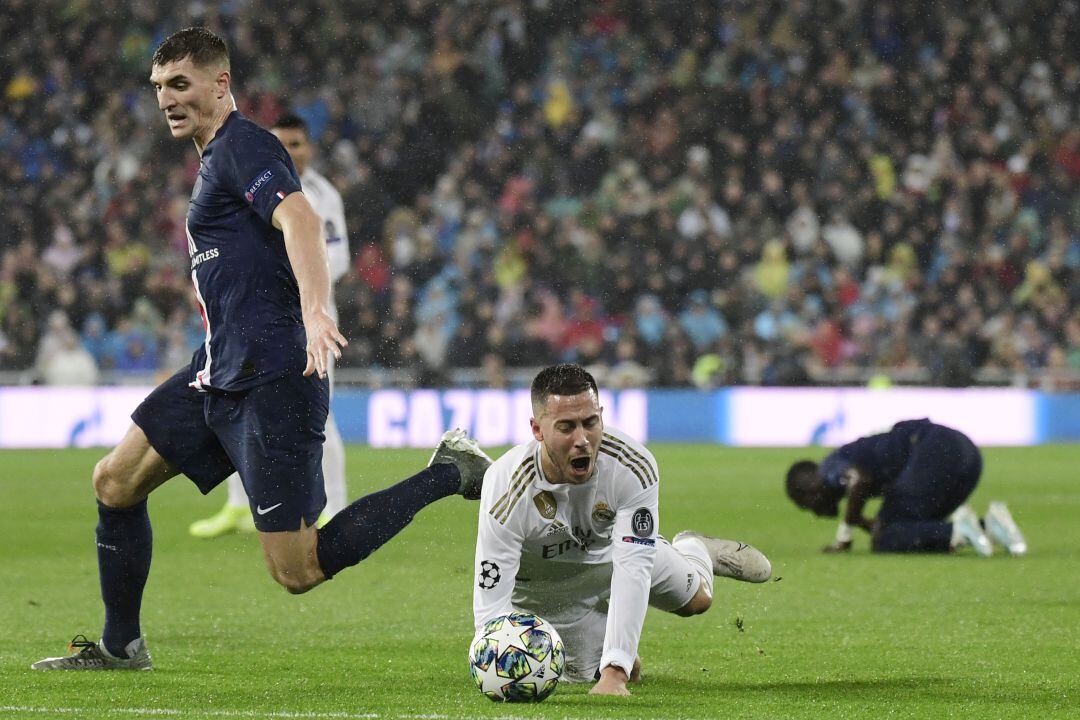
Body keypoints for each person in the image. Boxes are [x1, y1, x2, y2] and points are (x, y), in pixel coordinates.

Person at [32, 27, 492, 671]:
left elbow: (300, 219)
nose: (167, 98)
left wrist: (314, 312)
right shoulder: (214, 158)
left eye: (181, 84)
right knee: (114, 480)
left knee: (297, 570)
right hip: (219, 368)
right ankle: (120, 645)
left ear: (221, 84)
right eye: (159, 87)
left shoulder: (243, 147)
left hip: (275, 376)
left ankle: (449, 472)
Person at [472, 363, 772, 696]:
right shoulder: (505, 487)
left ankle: (694, 548)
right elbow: (491, 605)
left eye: (590, 422)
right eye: (566, 427)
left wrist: (615, 673)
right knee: (582, 672)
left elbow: (633, 567)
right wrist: (494, 663)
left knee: (698, 601)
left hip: (617, 554)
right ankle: (603, 644)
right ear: (537, 430)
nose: (582, 440)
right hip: (552, 590)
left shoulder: (631, 465)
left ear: (601, 414)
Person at [188, 112, 351, 538]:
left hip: (306, 320)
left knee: (319, 416)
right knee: (232, 407)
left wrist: (290, 272)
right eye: (284, 145)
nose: (292, 152)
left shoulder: (320, 194)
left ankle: (335, 507)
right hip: (253, 317)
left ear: (309, 148)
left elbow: (337, 256)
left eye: (298, 144)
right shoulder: (251, 176)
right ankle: (238, 507)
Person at [785, 418, 1028, 556]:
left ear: (808, 488)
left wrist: (846, 532)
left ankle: (960, 531)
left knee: (886, 539)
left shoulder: (829, 467)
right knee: (903, 529)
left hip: (933, 450)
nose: (816, 513)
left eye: (807, 505)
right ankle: (991, 526)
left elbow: (860, 479)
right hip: (967, 455)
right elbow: (887, 522)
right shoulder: (844, 460)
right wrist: (862, 521)